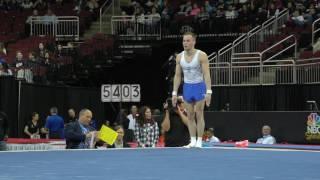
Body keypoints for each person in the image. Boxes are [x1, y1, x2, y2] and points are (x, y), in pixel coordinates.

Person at [172, 31, 212, 148]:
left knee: (199, 114)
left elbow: (206, 74)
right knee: (189, 115)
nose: (185, 43)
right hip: (187, 87)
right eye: (184, 40)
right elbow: (178, 75)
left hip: (199, 86)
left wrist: (209, 91)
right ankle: (193, 140)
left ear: (194, 41)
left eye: (188, 40)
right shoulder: (179, 57)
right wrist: (174, 92)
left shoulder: (201, 55)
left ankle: (199, 141)